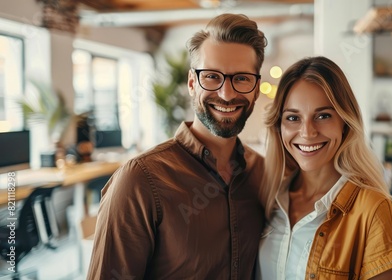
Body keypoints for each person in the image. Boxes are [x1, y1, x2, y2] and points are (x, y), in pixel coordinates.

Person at [87, 13, 267, 279]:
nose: (227, 94)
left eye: (241, 78)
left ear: (256, 88)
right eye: (212, 76)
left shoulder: (262, 173)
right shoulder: (139, 180)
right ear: (192, 83)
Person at [257, 56, 392, 280]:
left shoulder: (374, 210)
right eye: (293, 117)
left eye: (323, 116)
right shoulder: (266, 198)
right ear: (279, 126)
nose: (307, 132)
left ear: (345, 123)